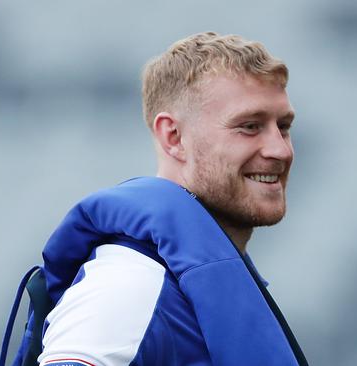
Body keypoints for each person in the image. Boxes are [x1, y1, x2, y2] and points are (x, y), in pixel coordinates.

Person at [37, 32, 307, 366]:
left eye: (283, 127)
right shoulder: (128, 286)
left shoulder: (184, 285)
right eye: (250, 126)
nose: (280, 149)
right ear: (173, 136)